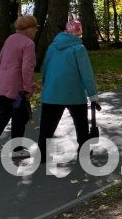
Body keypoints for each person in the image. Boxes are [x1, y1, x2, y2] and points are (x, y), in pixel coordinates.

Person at [38, 20, 100, 163]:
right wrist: (93, 95)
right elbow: (87, 74)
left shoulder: (53, 46)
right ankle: (83, 152)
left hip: (51, 93)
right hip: (74, 93)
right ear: (79, 33)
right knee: (81, 125)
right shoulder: (79, 49)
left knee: (47, 126)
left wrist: (46, 85)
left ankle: (42, 154)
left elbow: (45, 67)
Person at [0, 15, 38, 158]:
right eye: (35, 28)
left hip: (2, 83)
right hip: (17, 87)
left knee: (3, 114)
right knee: (20, 117)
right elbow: (27, 69)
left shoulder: (10, 39)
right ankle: (16, 149)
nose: (36, 31)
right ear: (29, 28)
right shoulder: (28, 44)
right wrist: (28, 88)